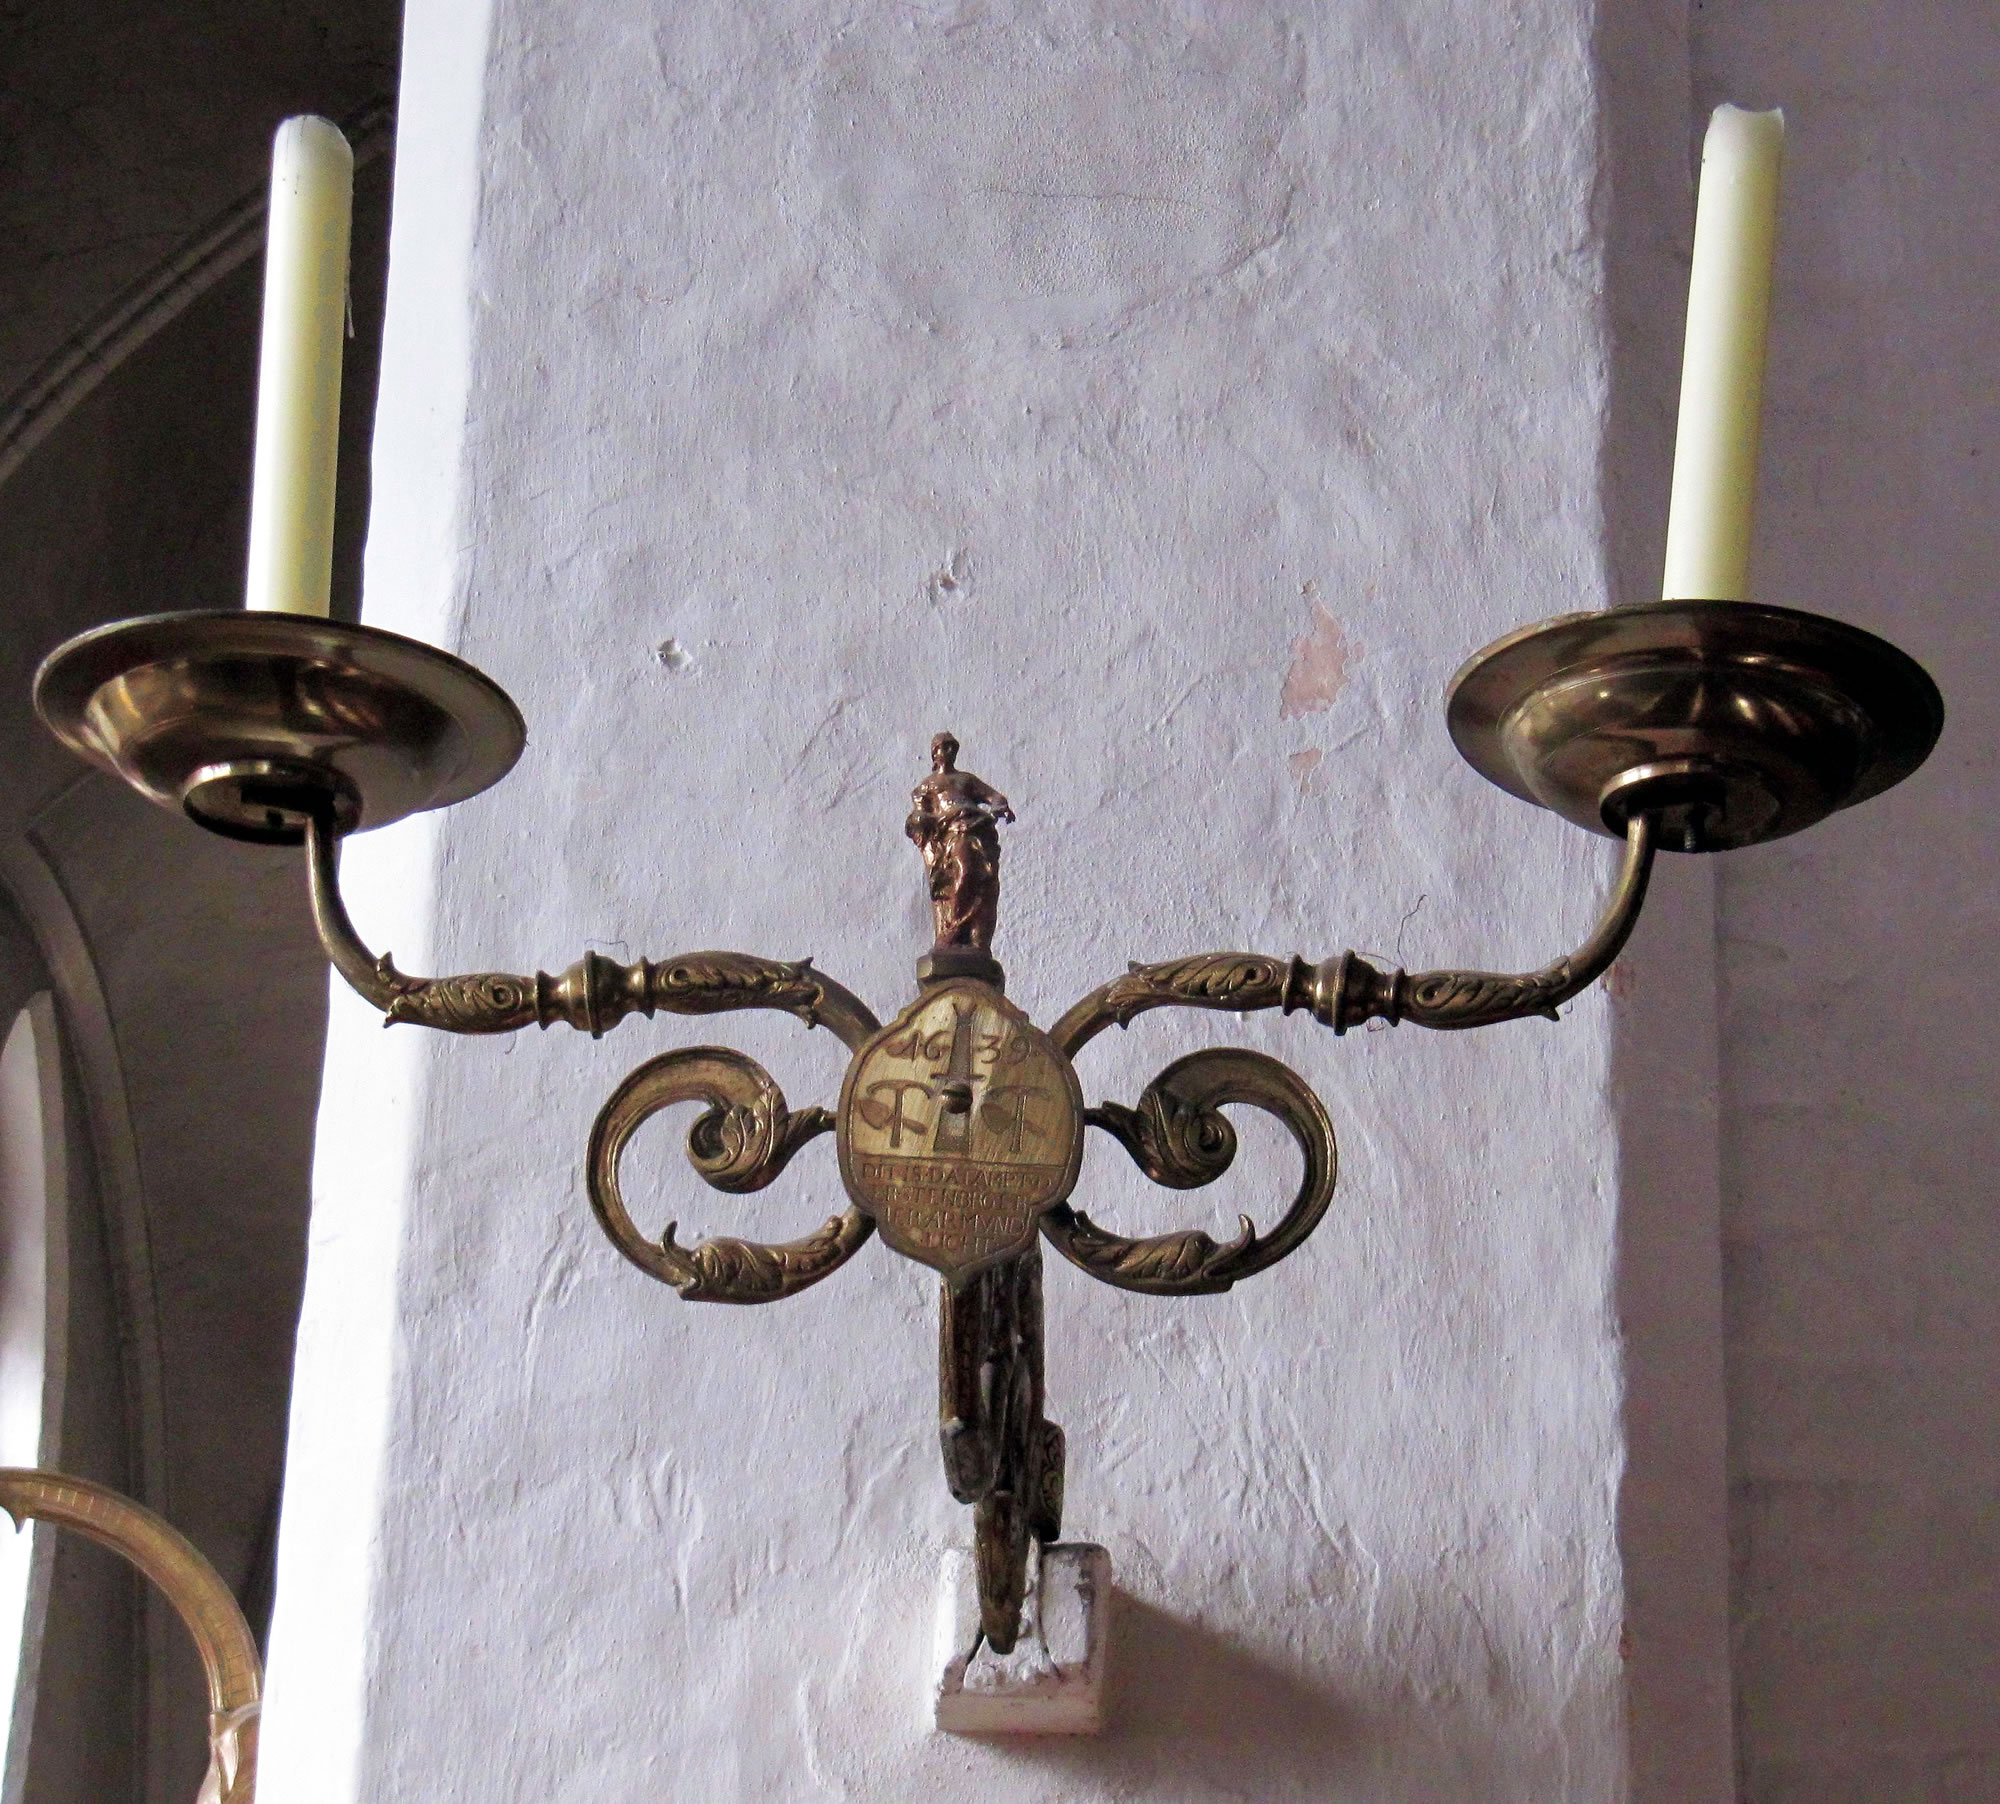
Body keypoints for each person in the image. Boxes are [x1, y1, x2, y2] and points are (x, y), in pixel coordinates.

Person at [905, 733, 1013, 951]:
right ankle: (953, 928)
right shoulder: (927, 786)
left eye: (951, 748)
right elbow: (919, 814)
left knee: (985, 880)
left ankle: (974, 935)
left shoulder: (966, 779)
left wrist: (999, 806)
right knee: (965, 872)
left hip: (977, 828)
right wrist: (921, 820)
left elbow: (994, 796)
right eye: (943, 748)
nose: (948, 752)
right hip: (952, 832)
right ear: (934, 753)